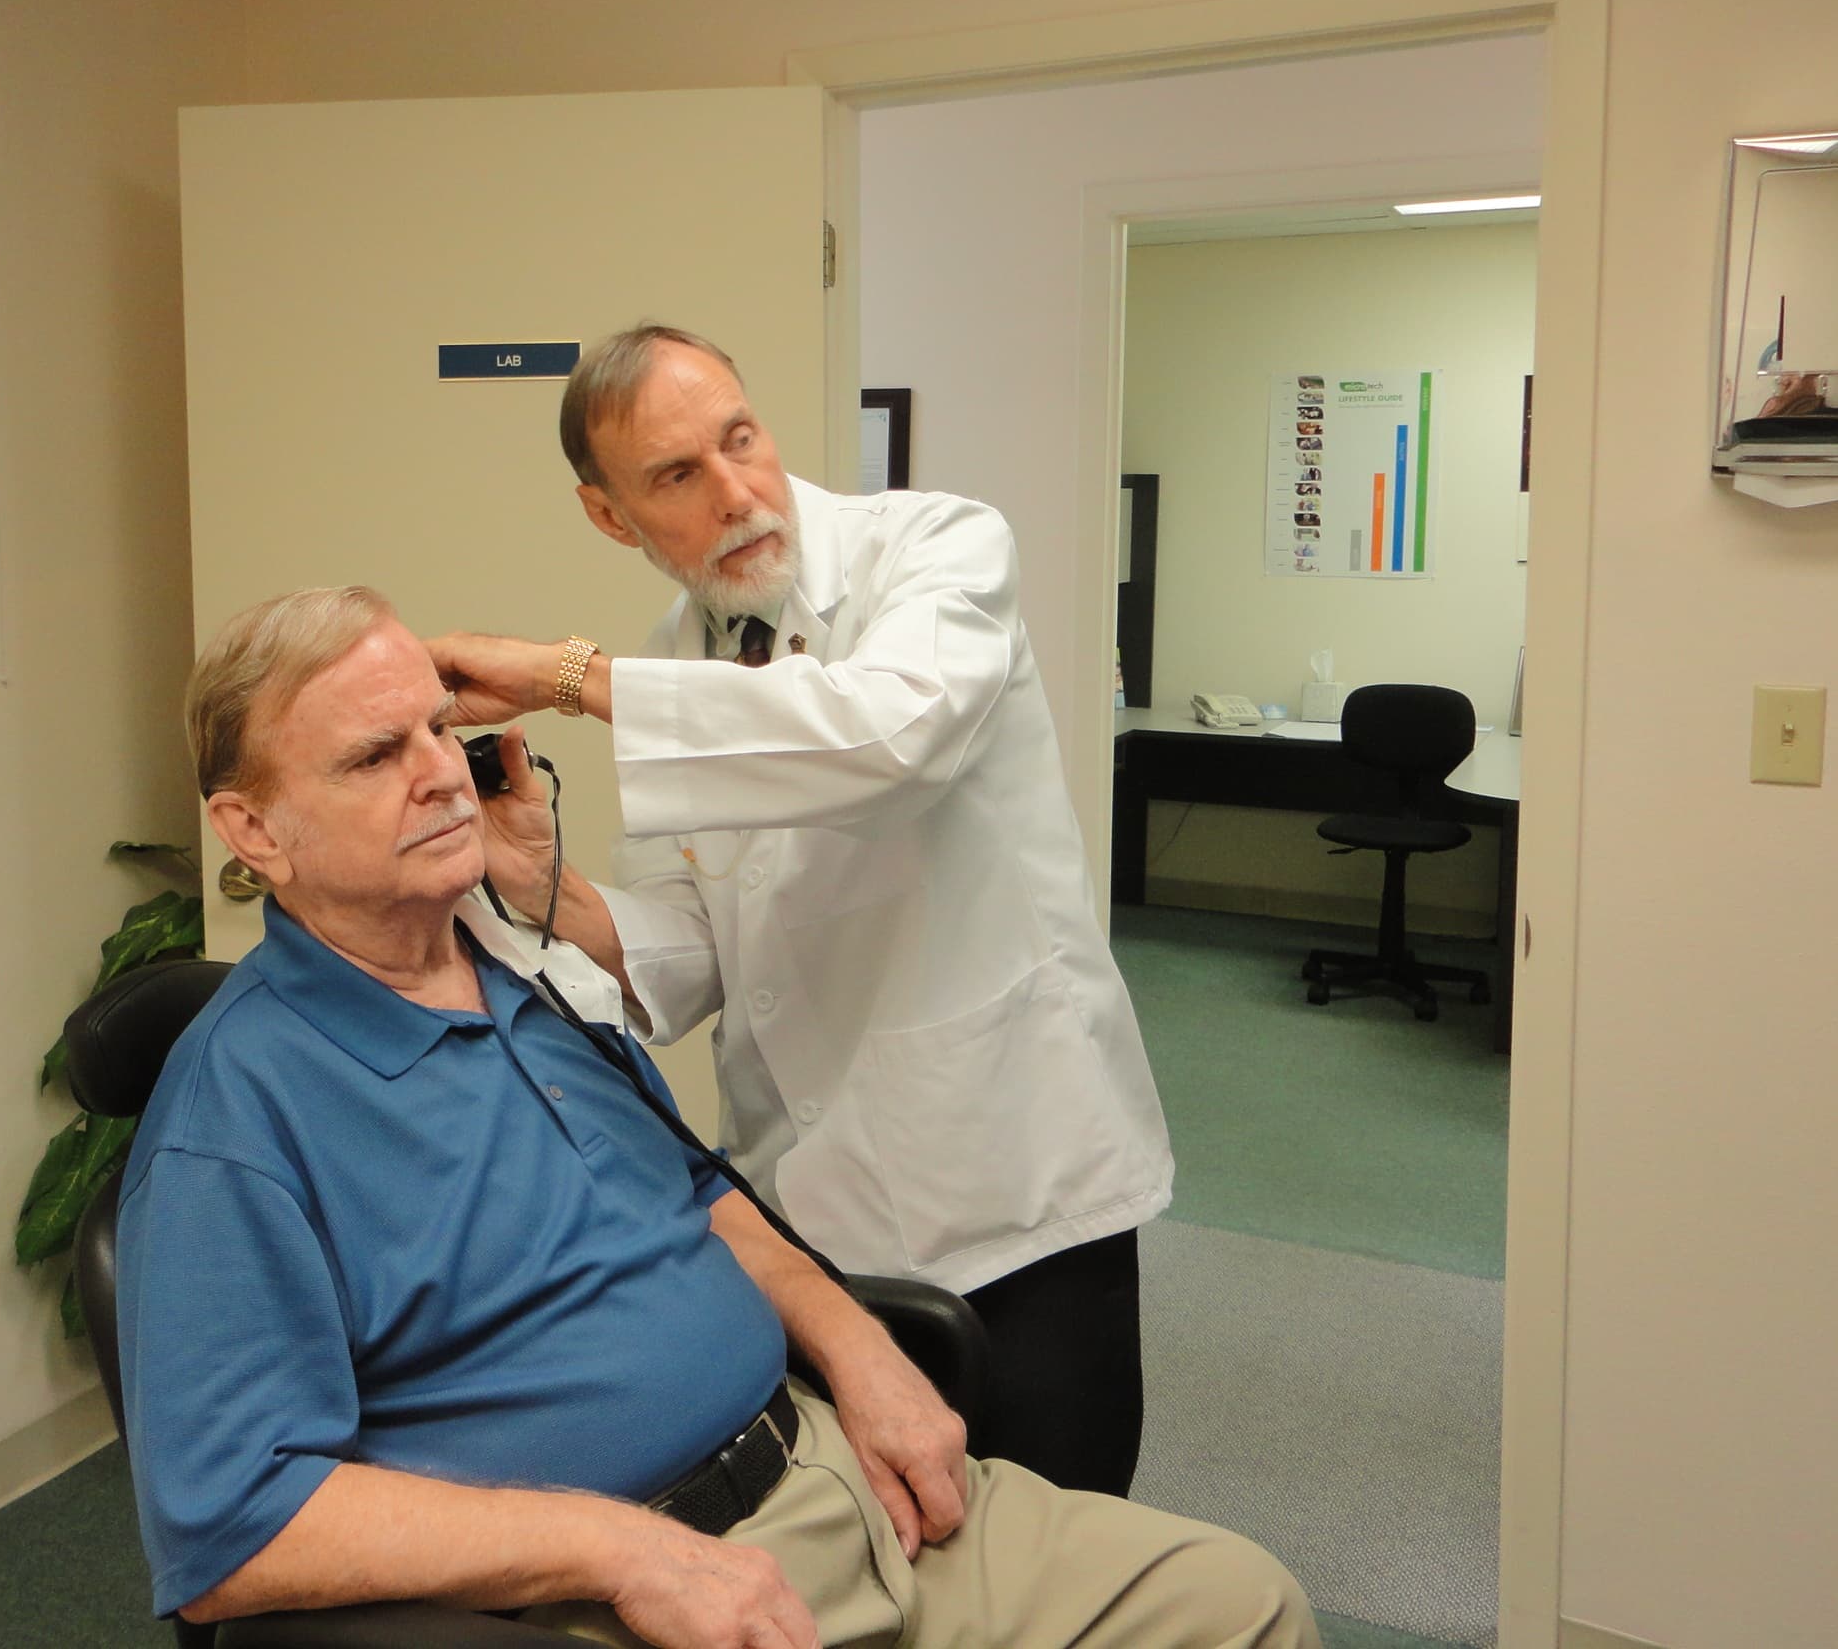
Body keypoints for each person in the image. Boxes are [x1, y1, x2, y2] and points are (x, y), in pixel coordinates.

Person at [117, 585, 1315, 1647]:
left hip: (832, 1476)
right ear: (252, 830)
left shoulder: (526, 973)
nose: (438, 771)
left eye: (438, 726)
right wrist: (621, 1554)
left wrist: (861, 1350)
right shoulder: (236, 1118)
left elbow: (696, 1193)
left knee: (1242, 1604)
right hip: (626, 1593)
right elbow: (235, 1526)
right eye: (375, 756)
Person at [426, 324, 1173, 1497]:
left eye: (741, 440)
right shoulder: (679, 657)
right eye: (677, 475)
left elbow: (887, 739)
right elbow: (689, 956)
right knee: (889, 1540)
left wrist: (566, 678)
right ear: (611, 516)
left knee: (1053, 1536)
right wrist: (542, 885)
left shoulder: (937, 547)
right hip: (813, 1206)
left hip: (1010, 1178)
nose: (736, 493)